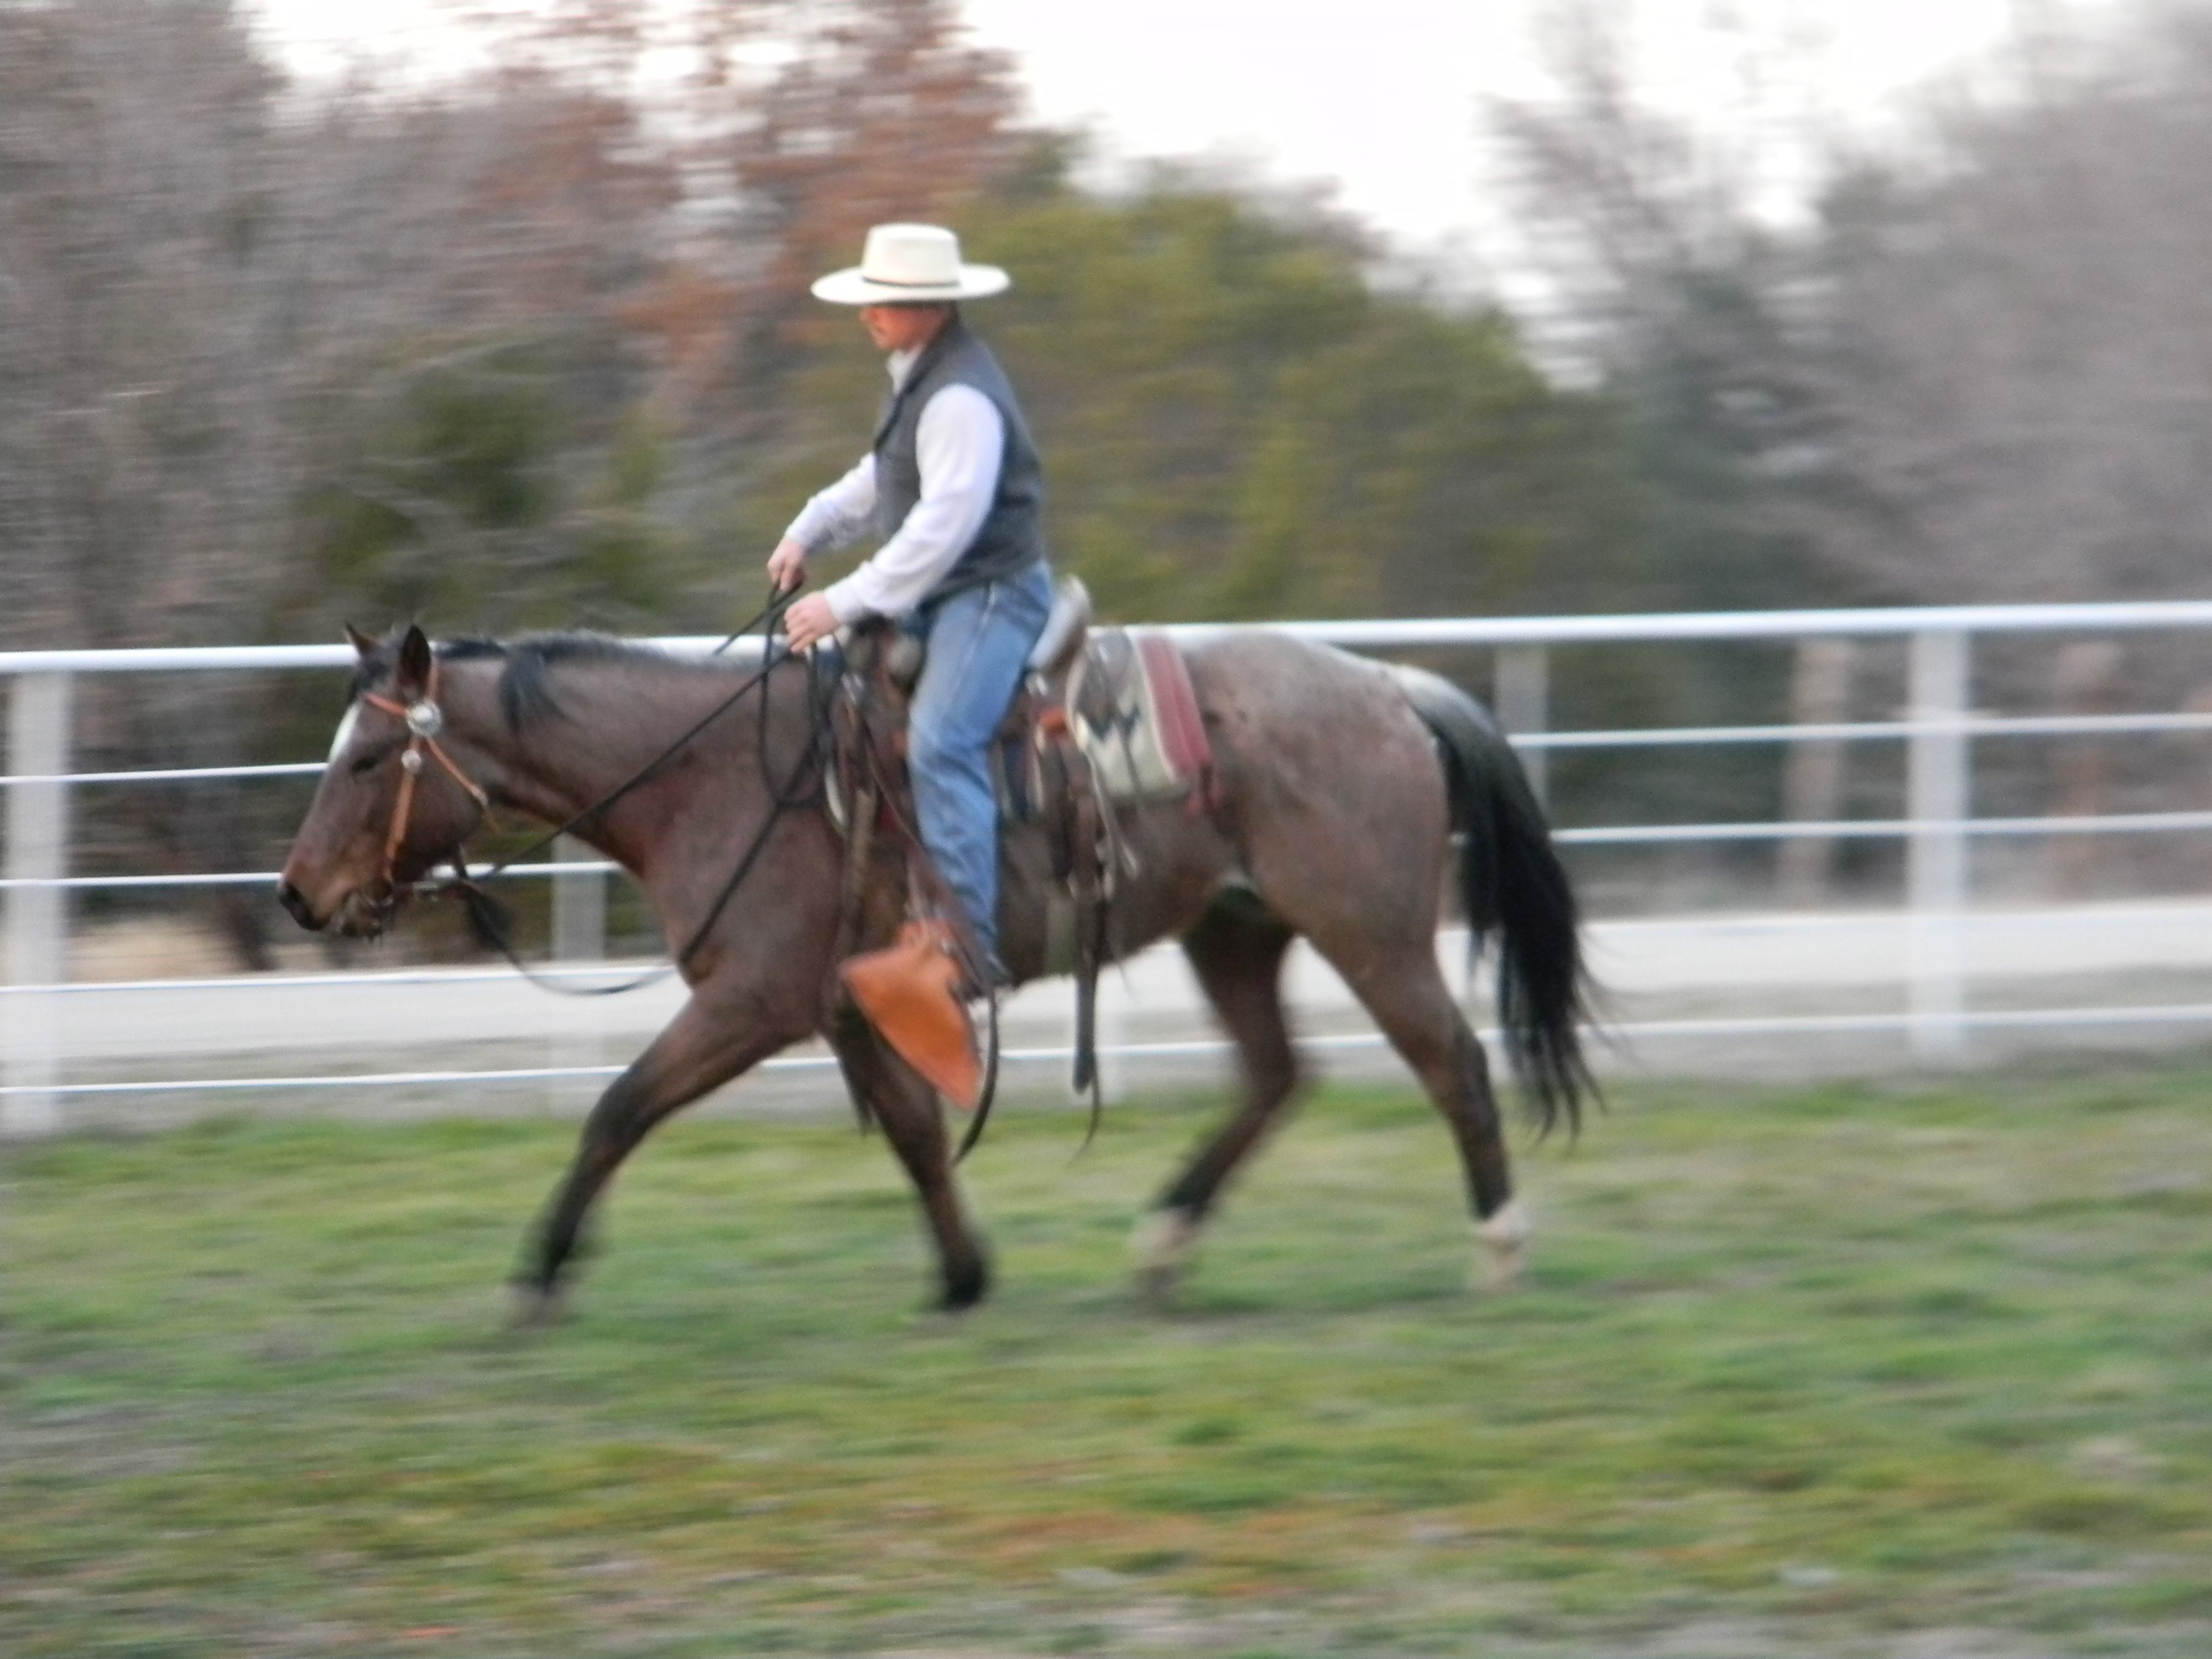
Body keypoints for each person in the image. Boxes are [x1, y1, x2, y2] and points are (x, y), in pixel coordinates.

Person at [769, 222, 1054, 989]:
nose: (870, 314)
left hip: (992, 596)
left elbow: (943, 528)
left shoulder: (960, 396)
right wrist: (811, 527)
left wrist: (844, 600)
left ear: (931, 305)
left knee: (939, 743)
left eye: (885, 302)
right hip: (948, 594)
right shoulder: (923, 376)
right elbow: (885, 476)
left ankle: (968, 945)